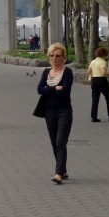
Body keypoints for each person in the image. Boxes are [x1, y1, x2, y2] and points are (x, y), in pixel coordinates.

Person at [38, 43, 74, 184]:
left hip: (64, 111)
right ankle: (63, 170)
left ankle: (58, 173)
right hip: (49, 111)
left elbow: (65, 91)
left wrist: (49, 89)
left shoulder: (67, 72)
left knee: (60, 142)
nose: (54, 58)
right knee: (54, 143)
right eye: (52, 55)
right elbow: (39, 89)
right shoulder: (46, 72)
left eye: (58, 56)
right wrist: (54, 88)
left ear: (63, 57)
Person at [87, 47, 109, 123]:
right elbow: (104, 72)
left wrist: (89, 79)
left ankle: (94, 117)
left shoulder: (93, 62)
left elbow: (88, 72)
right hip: (102, 81)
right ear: (103, 54)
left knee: (95, 100)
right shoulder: (103, 62)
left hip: (94, 81)